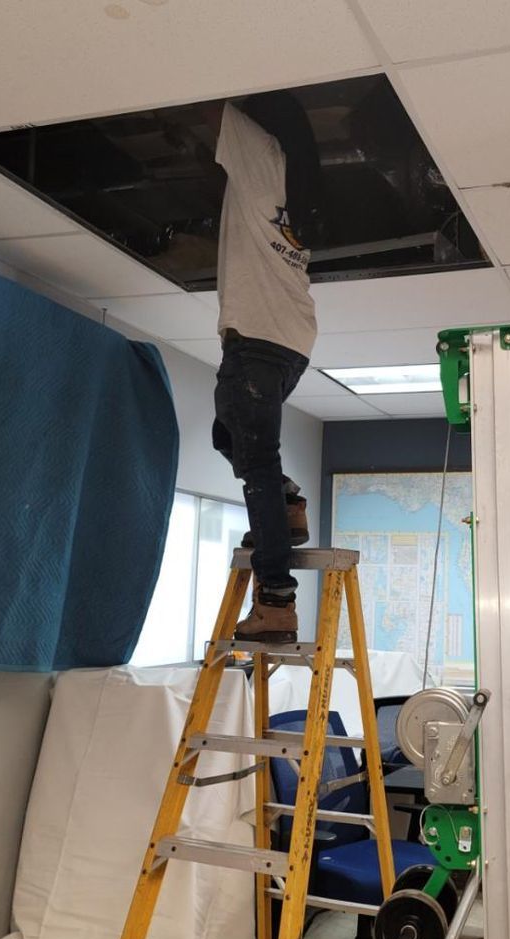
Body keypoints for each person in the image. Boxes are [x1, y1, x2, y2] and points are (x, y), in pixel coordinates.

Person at [210, 93, 323, 643]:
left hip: (257, 340)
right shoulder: (294, 185)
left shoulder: (262, 156)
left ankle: (276, 601)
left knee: (254, 463)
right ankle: (287, 505)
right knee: (227, 437)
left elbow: (217, 109)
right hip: (288, 340)